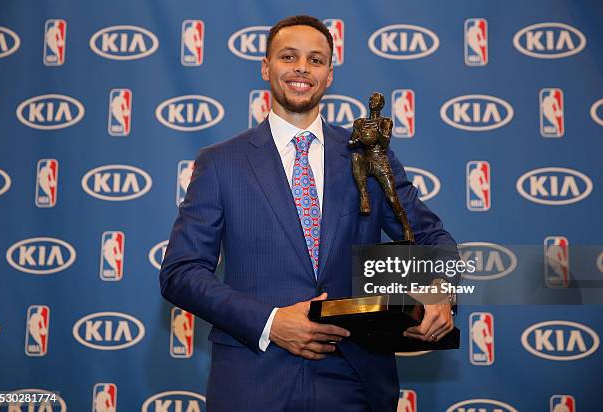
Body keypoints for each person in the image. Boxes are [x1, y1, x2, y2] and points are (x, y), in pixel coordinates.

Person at [160, 15, 456, 412]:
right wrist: (271, 322)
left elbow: (430, 236)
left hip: (354, 380)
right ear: (266, 67)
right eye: (288, 56)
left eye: (316, 60)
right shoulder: (220, 163)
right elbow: (181, 272)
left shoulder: (366, 156)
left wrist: (440, 289)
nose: (302, 67)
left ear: (329, 76)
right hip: (253, 379)